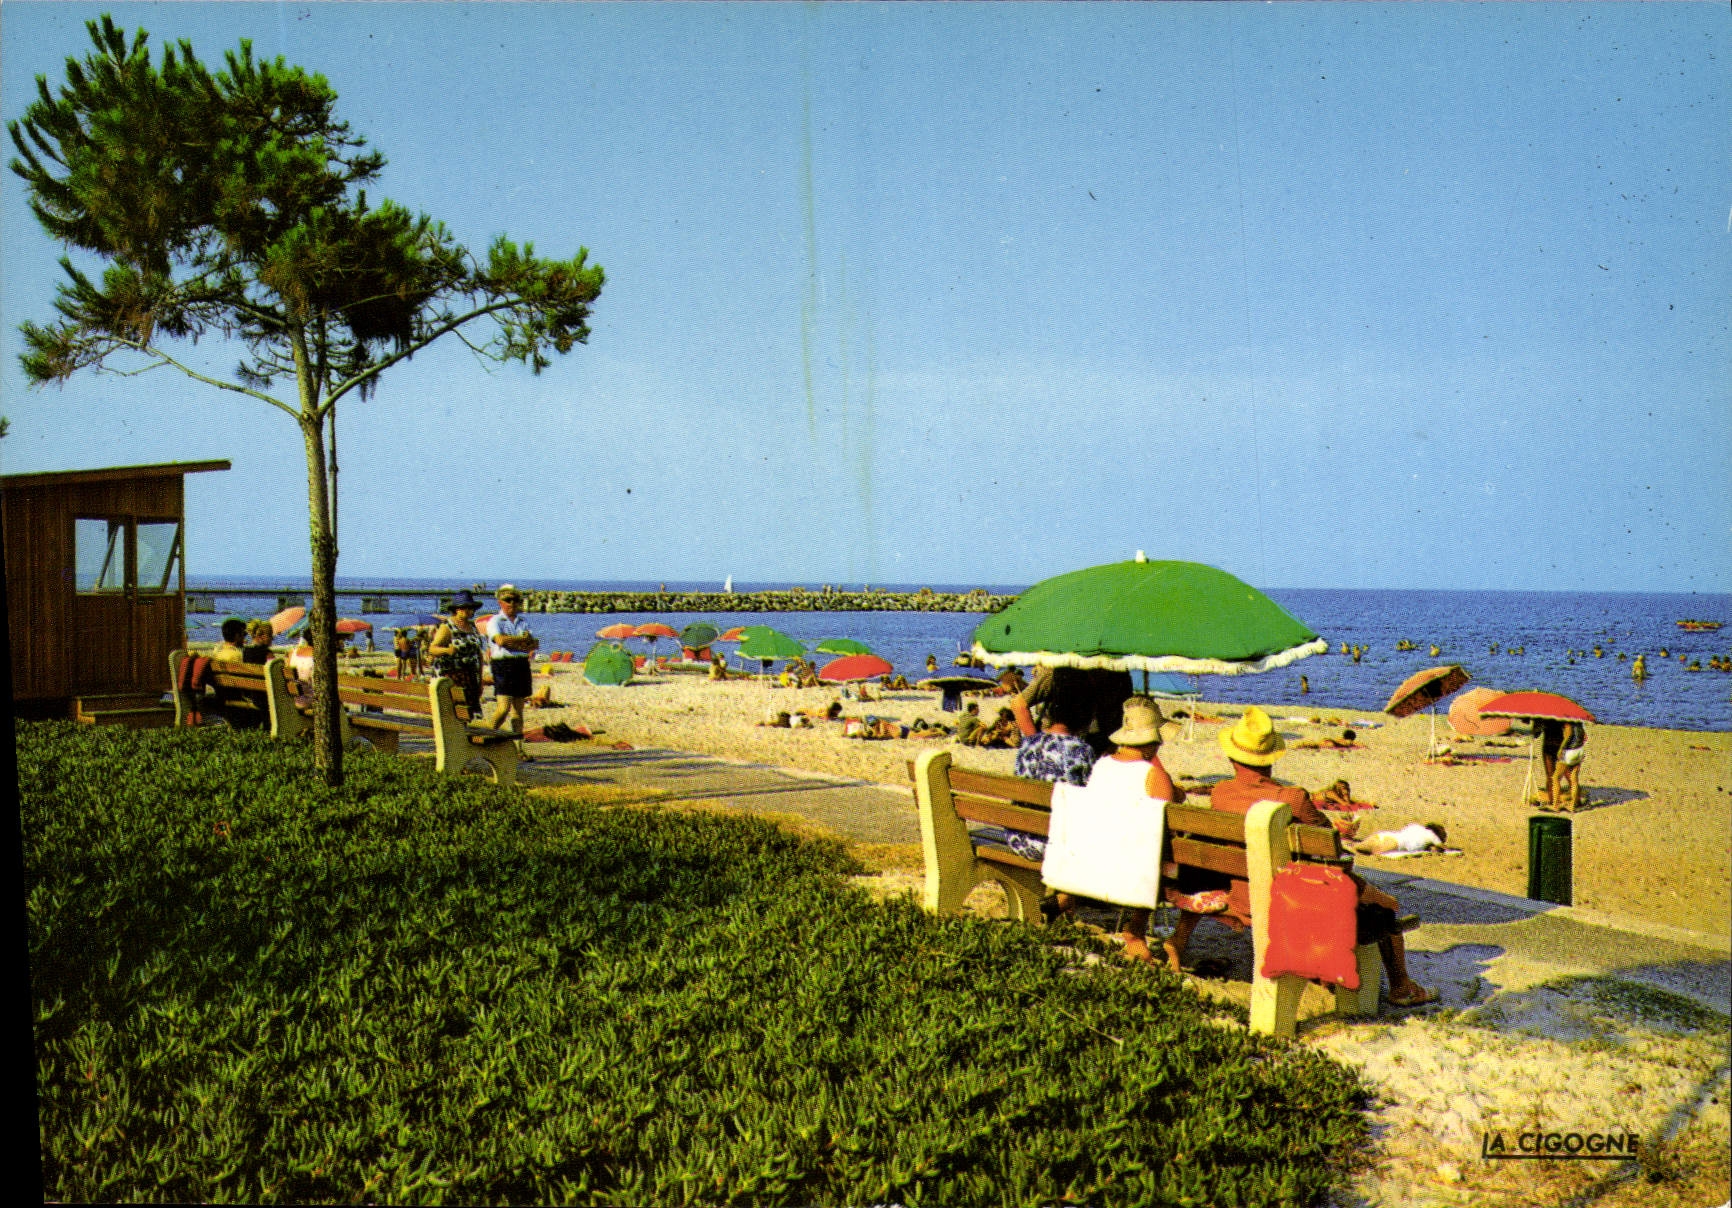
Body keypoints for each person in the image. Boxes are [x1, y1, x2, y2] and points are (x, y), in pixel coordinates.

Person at [1206, 707, 1436, 1006]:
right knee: (1388, 906)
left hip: (1241, 893)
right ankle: (1402, 987)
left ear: (1232, 757)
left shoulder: (1221, 793)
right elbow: (1332, 849)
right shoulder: (1292, 799)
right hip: (1291, 900)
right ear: (1271, 758)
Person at [1079, 696, 1184, 967]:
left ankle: (1135, 932)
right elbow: (1168, 820)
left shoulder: (1101, 765)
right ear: (1152, 742)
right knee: (1176, 861)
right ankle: (1136, 930)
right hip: (1134, 869)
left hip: (1097, 856)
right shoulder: (1153, 775)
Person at [1016, 665, 1134, 757]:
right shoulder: (1058, 673)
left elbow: (1126, 714)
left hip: (1098, 745)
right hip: (1056, 742)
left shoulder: (1119, 675)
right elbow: (1019, 705)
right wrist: (1036, 745)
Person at [484, 585, 539, 734]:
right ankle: (484, 738)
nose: (512, 603)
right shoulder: (495, 621)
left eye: (515, 600)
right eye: (508, 600)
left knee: (518, 711)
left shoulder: (523, 621)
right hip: (503, 665)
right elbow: (500, 641)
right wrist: (521, 640)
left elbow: (533, 644)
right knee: (503, 708)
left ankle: (518, 747)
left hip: (520, 664)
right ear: (500, 602)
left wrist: (516, 643)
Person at [427, 591, 487, 717]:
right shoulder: (447, 627)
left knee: (471, 716)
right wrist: (447, 651)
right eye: (466, 607)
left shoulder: (472, 627)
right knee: (457, 716)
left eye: (471, 608)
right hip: (451, 677)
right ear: (457, 609)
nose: (469, 611)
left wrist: (480, 680)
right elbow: (432, 649)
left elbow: (479, 655)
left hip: (470, 678)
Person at [1353, 823, 1449, 857]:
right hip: (1396, 843)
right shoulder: (1432, 835)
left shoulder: (1415, 826)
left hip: (1385, 835)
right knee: (1375, 851)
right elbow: (1442, 847)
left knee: (1355, 848)